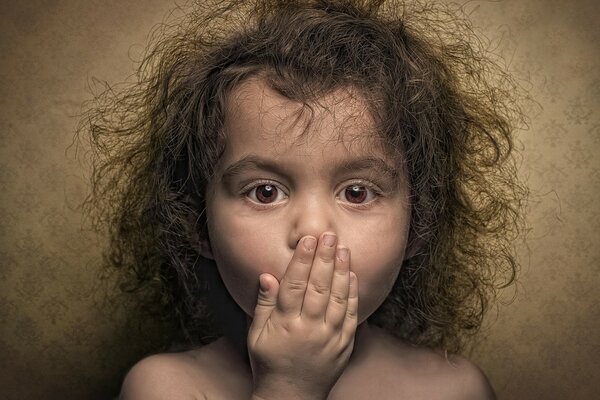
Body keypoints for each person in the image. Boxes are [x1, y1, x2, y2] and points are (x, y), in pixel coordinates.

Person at [81, 0, 526, 398]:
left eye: (356, 192)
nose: (313, 229)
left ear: (418, 224)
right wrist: (288, 389)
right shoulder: (166, 387)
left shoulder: (454, 389)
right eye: (265, 191)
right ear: (198, 222)